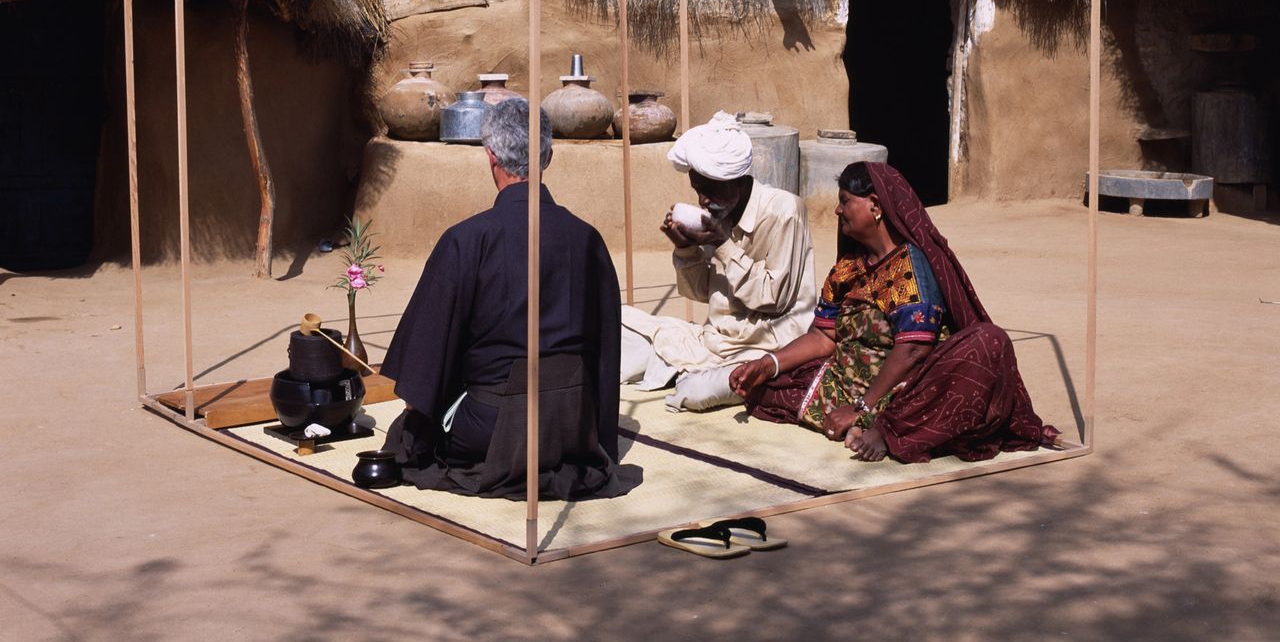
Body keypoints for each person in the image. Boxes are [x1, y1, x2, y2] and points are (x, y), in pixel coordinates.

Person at [381, 98, 641, 499]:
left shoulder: (466, 240)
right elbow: (606, 354)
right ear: (548, 156)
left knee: (409, 432)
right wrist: (597, 438)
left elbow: (422, 373)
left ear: (491, 157)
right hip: (572, 424)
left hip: (492, 428)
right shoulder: (587, 238)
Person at [730, 161, 1058, 462]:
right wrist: (766, 363)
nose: (837, 209)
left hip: (904, 390)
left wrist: (862, 408)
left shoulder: (910, 267)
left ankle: (888, 429)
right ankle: (856, 417)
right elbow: (822, 335)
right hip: (847, 380)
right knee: (765, 387)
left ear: (874, 205)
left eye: (845, 201)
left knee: (989, 342)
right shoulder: (848, 267)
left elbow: (914, 349)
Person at [620, 111, 817, 412]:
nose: (702, 201)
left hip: (762, 348)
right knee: (616, 324)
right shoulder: (718, 216)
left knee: (696, 393)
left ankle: (686, 373)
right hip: (713, 340)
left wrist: (720, 244)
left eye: (709, 191)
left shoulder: (785, 211)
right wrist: (685, 249)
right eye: (698, 191)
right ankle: (681, 368)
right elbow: (702, 293)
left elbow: (772, 300)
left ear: (736, 181)